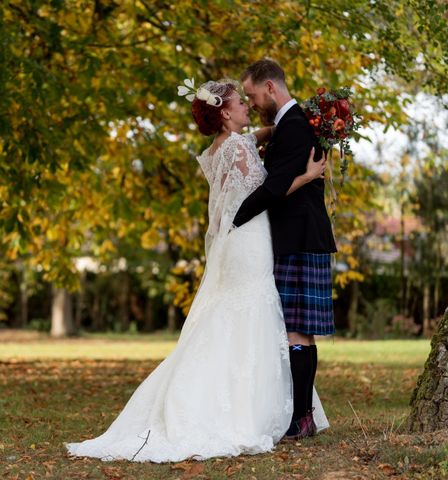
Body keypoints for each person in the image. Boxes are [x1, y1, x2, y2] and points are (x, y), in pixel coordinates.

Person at [65, 77, 327, 463]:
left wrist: (295, 121)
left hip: (233, 242)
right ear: (224, 112)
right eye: (240, 103)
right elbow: (263, 192)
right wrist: (306, 176)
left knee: (231, 315)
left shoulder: (219, 147)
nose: (246, 107)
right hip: (250, 238)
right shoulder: (237, 146)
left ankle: (243, 400)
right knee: (252, 311)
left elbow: (255, 135)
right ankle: (246, 407)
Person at [232, 59, 337, 440]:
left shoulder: (294, 127)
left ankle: (301, 417)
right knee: (299, 332)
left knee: (297, 332)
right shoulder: (291, 124)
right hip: (301, 236)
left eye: (253, 94)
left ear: (271, 88)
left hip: (300, 236)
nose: (252, 101)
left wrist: (236, 218)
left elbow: (275, 188)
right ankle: (302, 416)